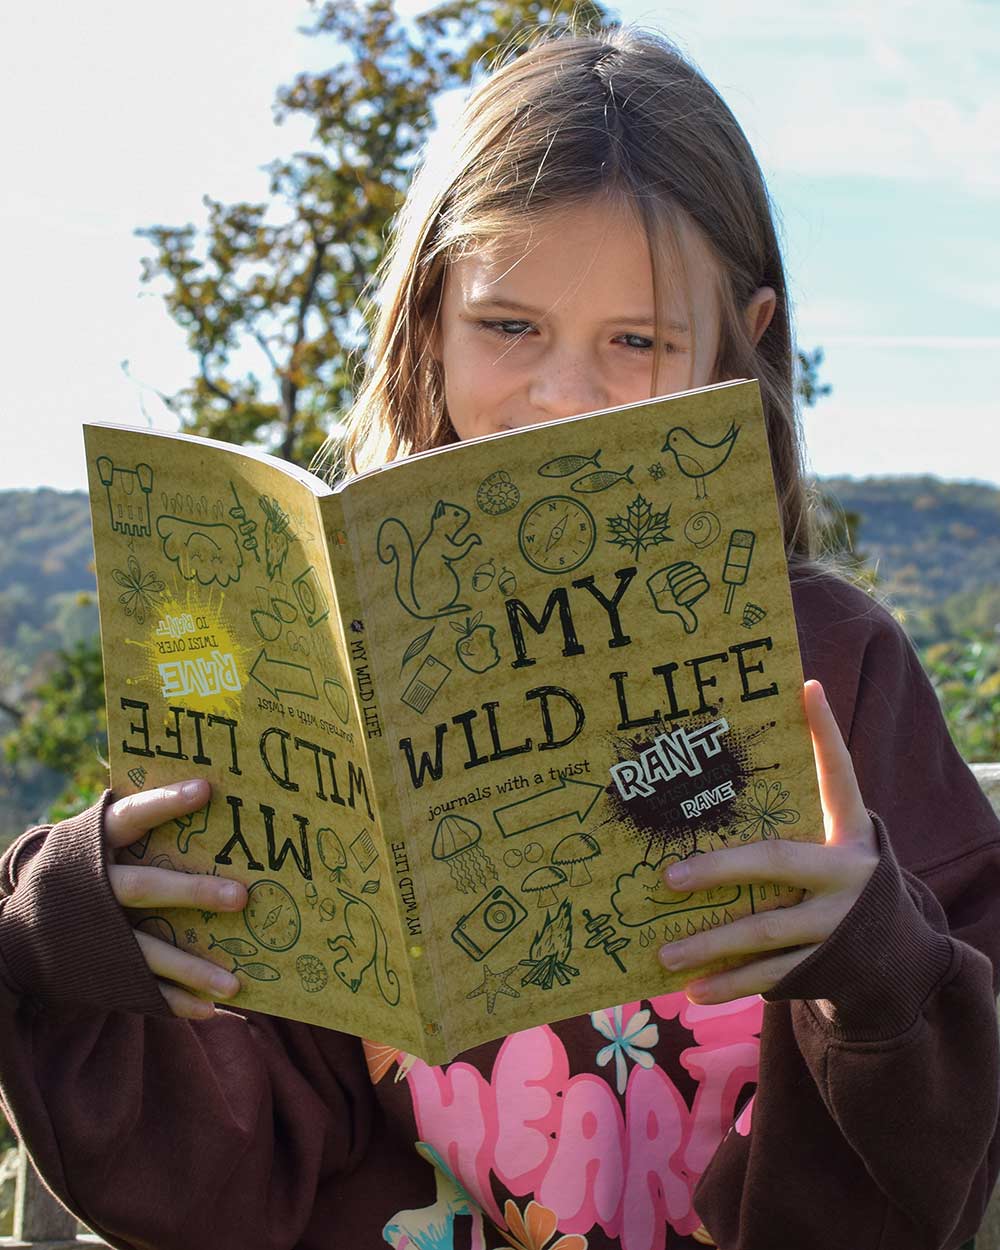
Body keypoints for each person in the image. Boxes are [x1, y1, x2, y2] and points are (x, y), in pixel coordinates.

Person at [1, 26, 998, 1250]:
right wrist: (75, 927)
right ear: (428, 320)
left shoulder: (834, 665)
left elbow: (950, 1128)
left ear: (740, 336)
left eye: (637, 341)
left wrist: (878, 973)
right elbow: (227, 1175)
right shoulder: (315, 667)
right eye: (510, 326)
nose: (562, 396)